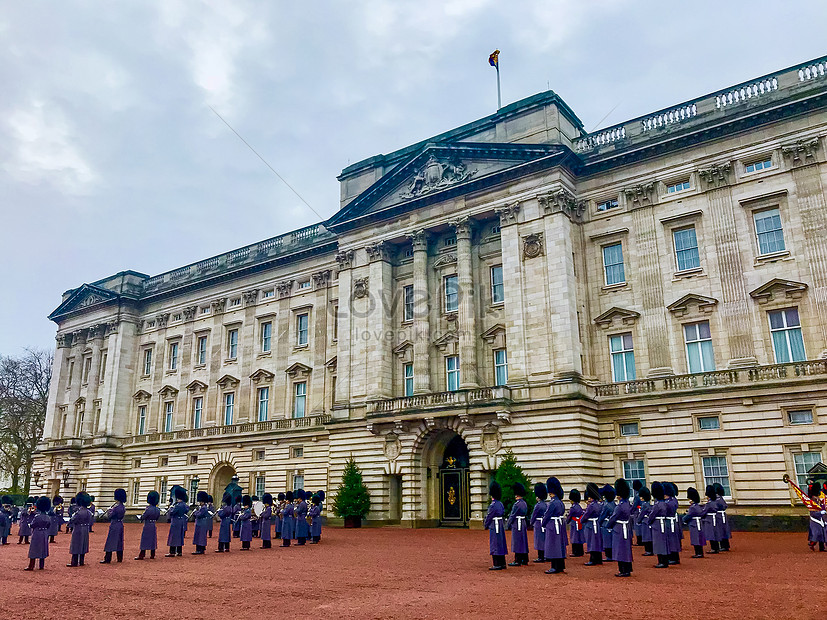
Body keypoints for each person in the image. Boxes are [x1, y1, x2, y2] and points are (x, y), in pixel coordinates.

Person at [607, 478, 633, 578]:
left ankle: (623, 570)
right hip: (625, 527)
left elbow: (614, 518)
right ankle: (627, 569)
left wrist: (608, 525)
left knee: (620, 549)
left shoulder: (620, 506)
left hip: (619, 529)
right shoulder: (627, 504)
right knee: (626, 549)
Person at [542, 477, 567, 575]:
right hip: (559, 525)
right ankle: (560, 566)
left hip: (552, 526)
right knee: (559, 546)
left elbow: (547, 515)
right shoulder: (560, 502)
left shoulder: (552, 503)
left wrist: (543, 524)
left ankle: (554, 566)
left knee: (553, 546)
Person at [483, 481, 508, 570]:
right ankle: (502, 563)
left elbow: (489, 516)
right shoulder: (500, 504)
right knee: (501, 543)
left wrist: (485, 525)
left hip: (495, 525)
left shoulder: (493, 505)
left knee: (495, 543)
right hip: (500, 524)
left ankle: (497, 563)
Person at [646, 482, 670, 568]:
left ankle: (662, 561)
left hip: (657, 525)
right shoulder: (664, 503)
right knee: (663, 542)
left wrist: (649, 522)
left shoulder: (657, 504)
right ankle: (665, 560)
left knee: (659, 543)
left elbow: (652, 515)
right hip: (663, 523)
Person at [101, 488, 127, 563]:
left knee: (110, 541)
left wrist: (109, 510)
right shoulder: (122, 507)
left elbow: (110, 516)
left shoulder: (116, 507)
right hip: (120, 524)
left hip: (114, 524)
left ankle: (107, 558)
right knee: (119, 541)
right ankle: (119, 558)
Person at [67, 492, 93, 567]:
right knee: (83, 544)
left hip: (78, 528)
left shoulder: (78, 512)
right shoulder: (89, 512)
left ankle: (74, 562)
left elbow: (72, 520)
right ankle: (81, 561)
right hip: (85, 529)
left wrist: (69, 522)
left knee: (76, 544)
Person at [26, 497, 52, 570]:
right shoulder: (47, 517)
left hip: (37, 533)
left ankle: (31, 566)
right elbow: (48, 525)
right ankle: (41, 566)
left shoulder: (37, 516)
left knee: (34, 549)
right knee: (43, 549)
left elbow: (32, 525)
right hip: (44, 533)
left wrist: (29, 523)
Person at [506, 482, 529, 566]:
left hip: (517, 524)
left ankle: (518, 560)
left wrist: (508, 524)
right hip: (522, 523)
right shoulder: (524, 503)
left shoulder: (517, 504)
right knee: (523, 541)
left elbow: (513, 515)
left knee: (517, 542)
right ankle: (525, 559)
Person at [136, 490, 161, 560]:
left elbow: (143, 517)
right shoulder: (157, 509)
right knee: (153, 540)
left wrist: (140, 518)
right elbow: (157, 517)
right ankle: (152, 554)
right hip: (153, 525)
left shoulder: (148, 509)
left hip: (147, 525)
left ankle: (142, 554)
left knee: (145, 540)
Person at [582, 482, 603, 566]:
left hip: (590, 524)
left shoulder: (591, 505)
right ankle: (598, 559)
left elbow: (586, 515)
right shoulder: (598, 504)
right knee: (597, 541)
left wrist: (581, 521)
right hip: (596, 524)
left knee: (591, 542)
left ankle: (593, 559)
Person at [683, 487, 707, 558]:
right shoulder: (697, 506)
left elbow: (689, 515)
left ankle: (698, 553)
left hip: (694, 524)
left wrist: (683, 520)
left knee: (696, 538)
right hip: (698, 522)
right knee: (699, 538)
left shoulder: (693, 507)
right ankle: (699, 553)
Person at [166, 487, 189, 557]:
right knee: (180, 536)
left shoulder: (177, 506)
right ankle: (179, 551)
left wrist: (170, 508)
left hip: (175, 522)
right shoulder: (185, 505)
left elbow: (172, 513)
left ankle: (172, 552)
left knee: (173, 536)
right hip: (181, 521)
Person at [530, 482, 548, 563]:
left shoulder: (538, 505)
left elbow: (534, 515)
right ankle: (546, 555)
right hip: (545, 523)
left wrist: (531, 522)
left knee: (539, 540)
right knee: (545, 539)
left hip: (538, 523)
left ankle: (540, 556)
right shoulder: (547, 504)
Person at [663, 482, 681, 565]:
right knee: (672, 540)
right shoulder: (673, 500)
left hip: (668, 522)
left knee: (670, 540)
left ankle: (673, 558)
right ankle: (674, 557)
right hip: (672, 521)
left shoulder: (667, 503)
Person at [599, 484, 616, 562]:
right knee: (611, 540)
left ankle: (609, 556)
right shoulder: (613, 503)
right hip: (612, 524)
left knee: (607, 541)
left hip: (606, 524)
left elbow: (602, 516)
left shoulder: (606, 505)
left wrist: (599, 523)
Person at [807, 482, 826, 552]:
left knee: (822, 533)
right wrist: (820, 512)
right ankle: (812, 543)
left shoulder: (817, 498)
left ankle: (822, 547)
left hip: (820, 518)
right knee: (817, 534)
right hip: (815, 519)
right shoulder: (813, 499)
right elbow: (813, 511)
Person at [567, 488, 585, 557]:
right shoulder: (579, 506)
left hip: (574, 523)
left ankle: (575, 552)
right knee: (579, 537)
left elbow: (569, 516)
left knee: (574, 537)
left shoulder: (573, 507)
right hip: (579, 523)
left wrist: (567, 521)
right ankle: (580, 551)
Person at [703, 485, 720, 554]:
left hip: (709, 519)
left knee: (711, 533)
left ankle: (714, 548)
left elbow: (704, 511)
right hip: (715, 518)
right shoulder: (715, 502)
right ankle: (717, 547)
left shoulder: (709, 503)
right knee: (715, 533)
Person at [636, 487, 653, 556]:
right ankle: (650, 550)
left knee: (646, 537)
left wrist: (638, 521)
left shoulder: (644, 504)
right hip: (648, 521)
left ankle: (648, 551)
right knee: (649, 536)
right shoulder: (648, 503)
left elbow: (642, 514)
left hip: (645, 521)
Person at [714, 483, 731, 551]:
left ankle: (724, 545)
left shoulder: (718, 499)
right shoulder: (720, 498)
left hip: (719, 516)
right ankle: (724, 545)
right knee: (722, 530)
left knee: (721, 530)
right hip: (720, 515)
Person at [631, 480, 643, 546]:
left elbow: (634, 505)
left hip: (637, 512)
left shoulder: (637, 495)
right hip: (641, 511)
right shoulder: (641, 493)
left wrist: (630, 511)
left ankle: (638, 541)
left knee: (636, 527)